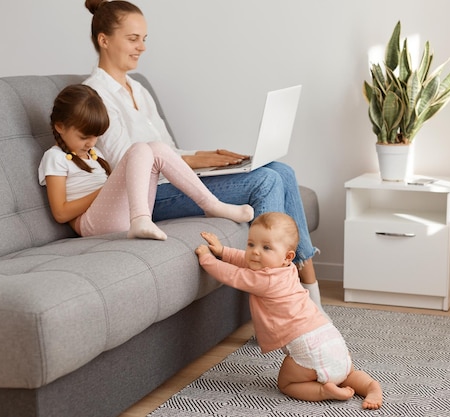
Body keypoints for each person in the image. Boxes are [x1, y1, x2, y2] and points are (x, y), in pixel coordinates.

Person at [82, 0, 326, 312]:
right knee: (265, 181)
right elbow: (127, 162)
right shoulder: (94, 95)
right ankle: (277, 307)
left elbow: (166, 148)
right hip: (148, 195)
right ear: (104, 40)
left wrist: (207, 156)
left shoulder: (137, 88)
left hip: (175, 179)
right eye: (133, 39)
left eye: (144, 39)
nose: (141, 47)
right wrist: (192, 162)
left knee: (281, 170)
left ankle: (310, 292)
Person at [195, 212, 383, 409]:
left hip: (307, 347)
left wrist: (208, 258)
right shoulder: (287, 269)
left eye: (266, 247)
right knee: (349, 374)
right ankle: (370, 386)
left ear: (287, 256)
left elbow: (232, 274)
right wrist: (223, 251)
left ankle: (322, 391)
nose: (255, 252)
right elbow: (249, 261)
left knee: (287, 383)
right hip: (331, 338)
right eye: (251, 244)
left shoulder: (264, 280)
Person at [38, 84, 254, 239]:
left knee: (157, 148)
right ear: (60, 126)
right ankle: (140, 219)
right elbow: (61, 213)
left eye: (96, 137)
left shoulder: (95, 155)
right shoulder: (55, 157)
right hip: (91, 224)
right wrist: (103, 191)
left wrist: (109, 187)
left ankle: (212, 205)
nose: (91, 143)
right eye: (84, 137)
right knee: (139, 148)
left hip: (116, 214)